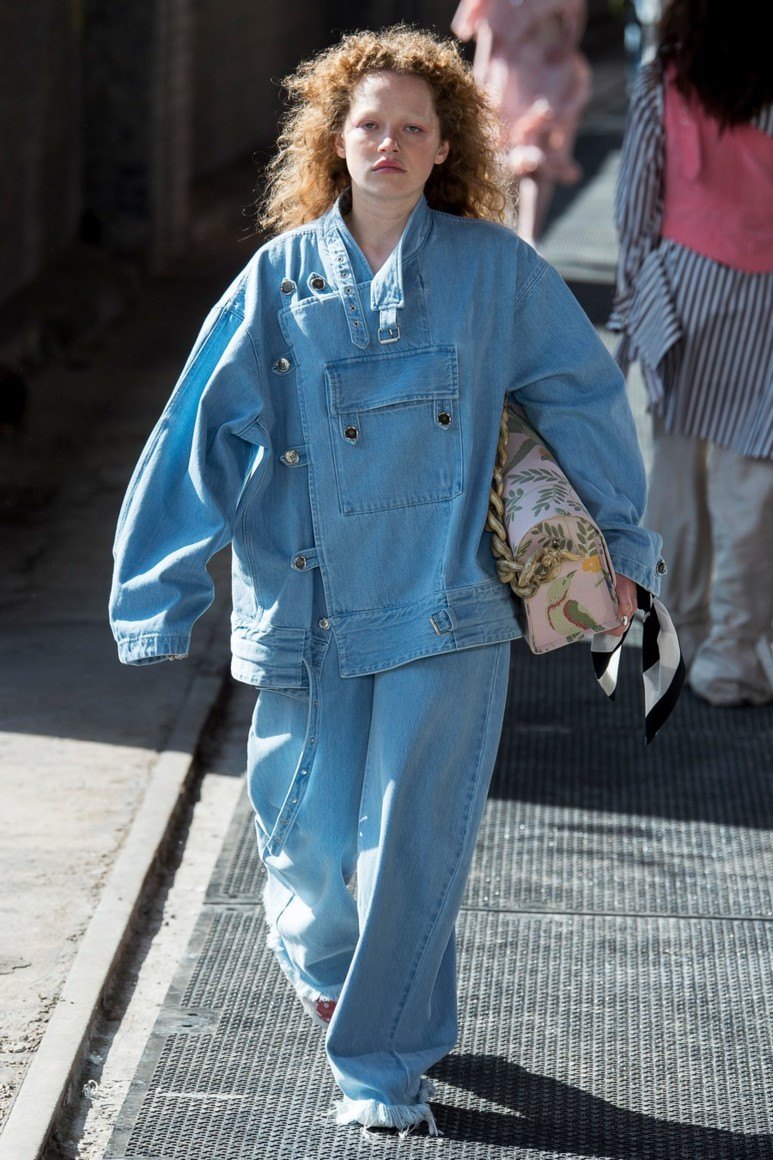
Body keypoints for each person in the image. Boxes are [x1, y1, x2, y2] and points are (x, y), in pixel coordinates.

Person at [110, 25, 666, 1136]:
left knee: (412, 851)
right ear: (334, 137)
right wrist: (157, 589)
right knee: (305, 843)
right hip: (308, 606)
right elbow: (197, 431)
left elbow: (581, 401)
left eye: (415, 127)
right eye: (370, 123)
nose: (390, 143)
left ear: (445, 145)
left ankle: (381, 1065)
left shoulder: (495, 270)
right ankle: (334, 972)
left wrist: (622, 552)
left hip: (448, 604)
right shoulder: (278, 278)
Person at [609, 0, 773, 707]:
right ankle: (732, 658)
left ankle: (675, 639)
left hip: (679, 289)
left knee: (674, 468)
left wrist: (629, 303)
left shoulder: (664, 79)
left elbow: (635, 201)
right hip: (766, 297)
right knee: (751, 482)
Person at [451, 0, 591, 246]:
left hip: (540, 78)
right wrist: (478, 90)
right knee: (508, 158)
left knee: (532, 156)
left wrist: (566, 46)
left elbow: (573, 21)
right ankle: (519, 236)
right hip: (512, 82)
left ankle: (528, 238)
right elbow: (488, 39)